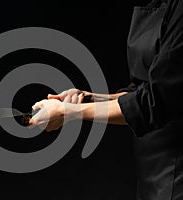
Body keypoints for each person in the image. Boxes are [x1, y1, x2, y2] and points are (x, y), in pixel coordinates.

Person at [29, 0, 183, 199]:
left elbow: (156, 102)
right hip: (152, 168)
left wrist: (68, 112)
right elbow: (141, 90)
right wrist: (88, 99)